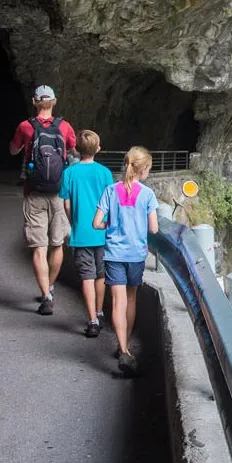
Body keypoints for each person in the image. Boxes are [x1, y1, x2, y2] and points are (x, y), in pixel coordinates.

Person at [9, 85, 77, 315]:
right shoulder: (65, 127)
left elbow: (13, 149)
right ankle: (50, 286)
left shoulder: (25, 126)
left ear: (34, 102)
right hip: (59, 192)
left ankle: (46, 296)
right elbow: (73, 149)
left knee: (39, 246)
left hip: (34, 192)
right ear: (54, 102)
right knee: (57, 244)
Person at [93, 147, 158, 375]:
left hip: (113, 254)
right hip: (135, 255)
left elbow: (96, 223)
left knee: (117, 302)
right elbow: (154, 228)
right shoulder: (148, 195)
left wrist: (109, 225)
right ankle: (126, 347)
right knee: (130, 300)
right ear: (144, 169)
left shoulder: (111, 191)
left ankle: (122, 349)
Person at [59, 129, 111, 337]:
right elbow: (110, 202)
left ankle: (92, 321)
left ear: (76, 149)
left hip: (81, 234)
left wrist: (74, 222)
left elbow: (67, 203)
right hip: (102, 233)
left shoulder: (69, 173)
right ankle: (99, 311)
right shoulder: (105, 173)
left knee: (87, 278)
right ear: (98, 149)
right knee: (100, 275)